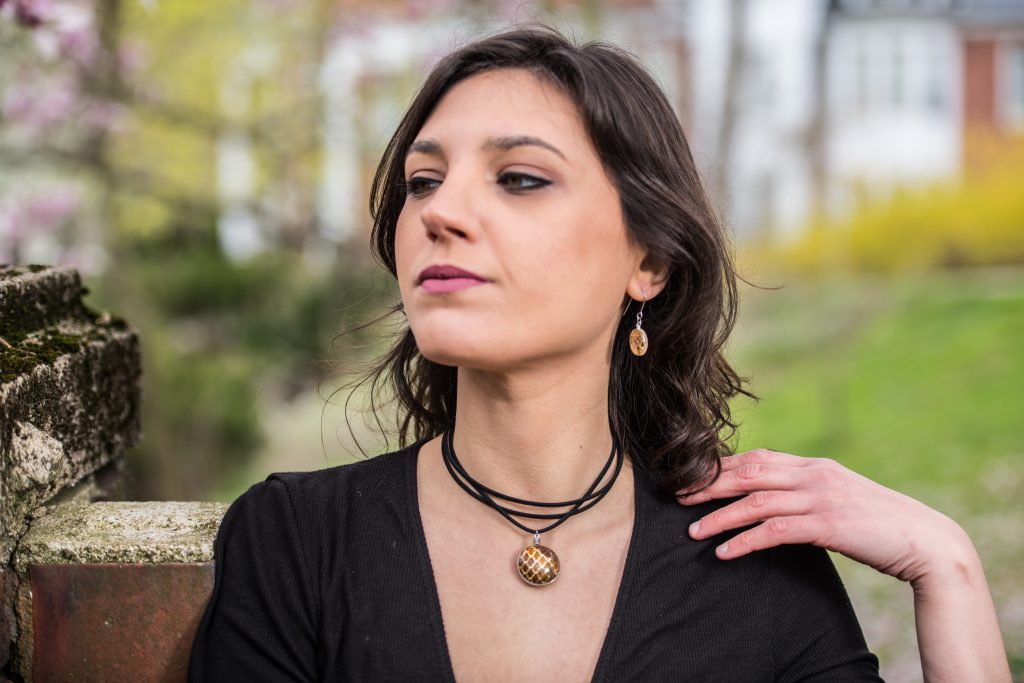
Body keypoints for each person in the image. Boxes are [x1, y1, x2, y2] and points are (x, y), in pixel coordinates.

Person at [188, 25, 1010, 682]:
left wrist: (949, 566)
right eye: (422, 181)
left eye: (518, 178)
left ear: (647, 262)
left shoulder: (753, 567)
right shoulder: (296, 540)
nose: (441, 212)